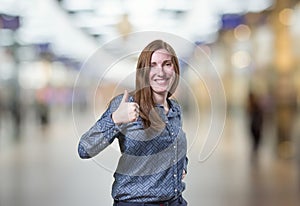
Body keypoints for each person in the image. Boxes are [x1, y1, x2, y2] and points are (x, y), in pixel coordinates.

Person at [78, 40, 188, 206]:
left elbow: (174, 143)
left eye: (167, 64)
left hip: (175, 201)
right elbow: (84, 148)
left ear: (175, 70)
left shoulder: (175, 108)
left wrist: (181, 165)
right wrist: (115, 119)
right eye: (153, 65)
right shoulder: (126, 104)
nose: (161, 71)